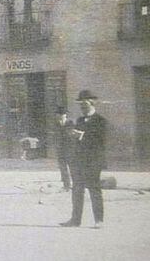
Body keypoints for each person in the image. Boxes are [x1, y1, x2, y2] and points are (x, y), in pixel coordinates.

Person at [61, 91, 107, 229]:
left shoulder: (101, 120)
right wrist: (73, 134)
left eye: (85, 103)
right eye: (80, 104)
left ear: (92, 102)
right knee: (77, 190)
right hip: (79, 160)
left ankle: (99, 220)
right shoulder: (80, 121)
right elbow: (76, 139)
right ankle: (75, 220)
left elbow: (100, 141)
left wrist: (82, 136)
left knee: (94, 189)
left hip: (94, 160)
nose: (82, 106)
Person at [55, 106, 75, 191]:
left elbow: (73, 134)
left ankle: (76, 184)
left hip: (69, 148)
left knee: (72, 167)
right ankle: (66, 185)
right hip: (60, 149)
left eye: (61, 114)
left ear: (65, 115)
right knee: (63, 168)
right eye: (58, 114)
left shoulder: (70, 122)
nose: (59, 116)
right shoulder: (56, 123)